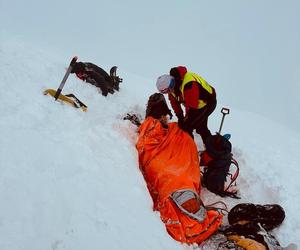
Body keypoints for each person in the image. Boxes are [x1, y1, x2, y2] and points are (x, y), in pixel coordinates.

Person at [156, 66, 217, 145]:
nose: (168, 93)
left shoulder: (189, 85)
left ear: (171, 85)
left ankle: (189, 148)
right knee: (198, 126)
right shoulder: (172, 88)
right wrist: (180, 117)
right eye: (164, 92)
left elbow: (192, 108)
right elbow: (174, 103)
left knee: (190, 127)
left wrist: (186, 121)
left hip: (208, 103)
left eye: (167, 91)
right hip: (195, 104)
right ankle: (210, 146)